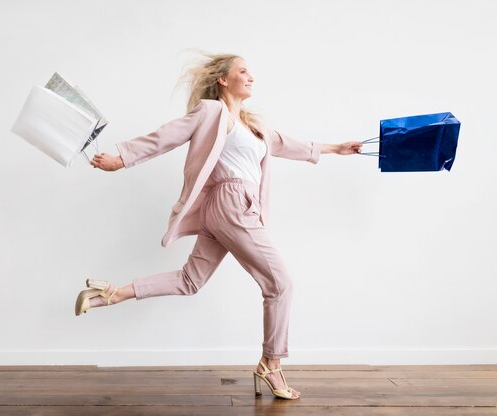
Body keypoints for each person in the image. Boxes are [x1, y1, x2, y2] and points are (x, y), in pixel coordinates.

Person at [75, 52, 362, 399]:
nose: (251, 76)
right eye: (243, 71)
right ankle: (271, 364)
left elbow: (290, 144)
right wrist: (122, 159)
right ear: (224, 80)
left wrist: (337, 148)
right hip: (231, 203)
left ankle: (112, 293)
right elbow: (168, 135)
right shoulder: (214, 112)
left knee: (189, 281)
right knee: (280, 282)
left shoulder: (253, 127)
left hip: (228, 210)